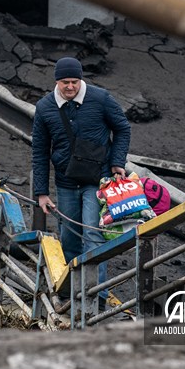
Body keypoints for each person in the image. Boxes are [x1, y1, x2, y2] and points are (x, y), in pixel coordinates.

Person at [32, 56, 131, 273]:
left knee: (93, 233)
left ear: (80, 80)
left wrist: (117, 162)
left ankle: (97, 296)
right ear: (56, 82)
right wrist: (41, 193)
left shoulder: (101, 98)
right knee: (69, 237)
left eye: (74, 82)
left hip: (98, 180)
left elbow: (123, 128)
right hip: (65, 182)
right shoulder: (44, 107)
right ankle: (72, 294)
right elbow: (39, 151)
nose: (70, 87)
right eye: (65, 82)